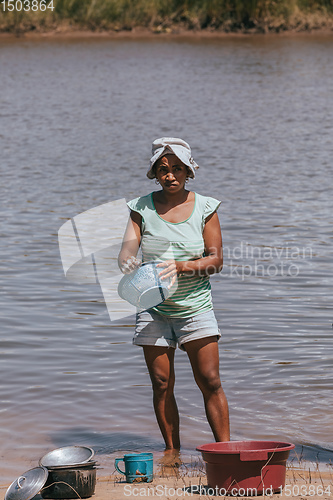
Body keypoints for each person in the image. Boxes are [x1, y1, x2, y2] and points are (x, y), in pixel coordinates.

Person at [118, 137, 230, 459]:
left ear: (188, 172)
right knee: (161, 383)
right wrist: (126, 260)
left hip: (195, 307)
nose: (170, 175)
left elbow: (216, 261)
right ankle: (172, 453)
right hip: (152, 306)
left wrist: (180, 267)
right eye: (163, 169)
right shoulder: (140, 207)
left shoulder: (206, 207)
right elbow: (128, 249)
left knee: (209, 380)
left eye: (177, 169)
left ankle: (224, 453)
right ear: (155, 173)